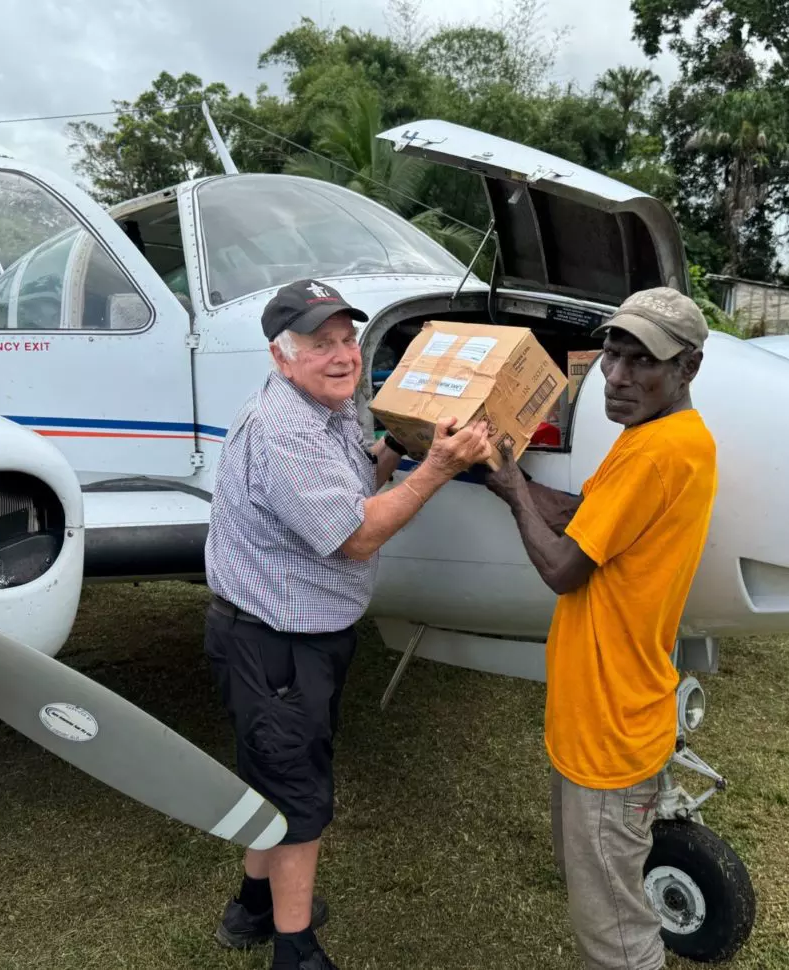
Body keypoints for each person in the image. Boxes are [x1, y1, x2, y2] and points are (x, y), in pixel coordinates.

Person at [204, 278, 492, 970]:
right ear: (280, 357)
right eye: (319, 344)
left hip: (294, 639)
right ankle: (295, 951)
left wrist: (395, 444)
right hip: (275, 645)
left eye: (345, 341)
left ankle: (251, 908)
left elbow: (352, 482)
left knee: (277, 780)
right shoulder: (286, 431)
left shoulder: (323, 413)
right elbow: (355, 535)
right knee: (300, 798)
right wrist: (438, 469)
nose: (340, 356)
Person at [482, 286, 716, 970]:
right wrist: (512, 474)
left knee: (615, 934)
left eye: (641, 361)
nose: (615, 378)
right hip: (609, 710)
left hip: (609, 730)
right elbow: (590, 514)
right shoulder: (670, 438)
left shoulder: (653, 453)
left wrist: (511, 492)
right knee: (601, 893)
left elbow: (562, 568)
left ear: (688, 368)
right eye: (610, 355)